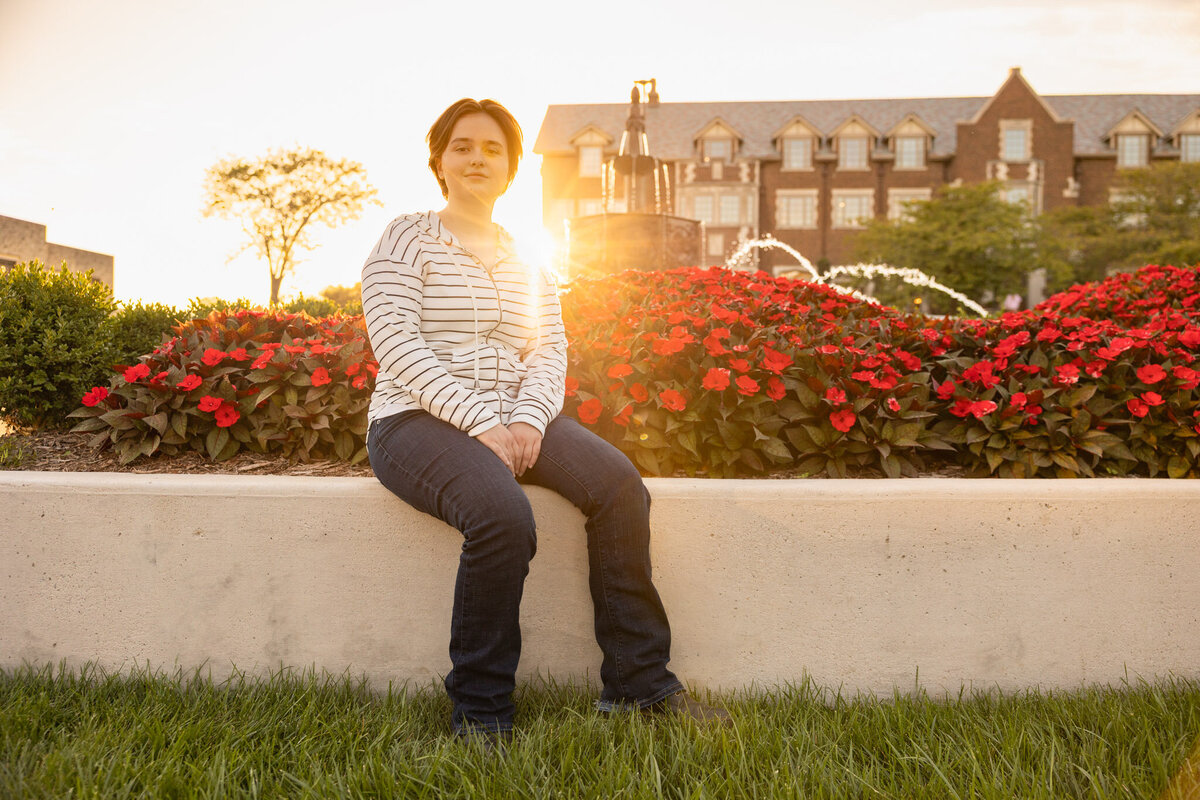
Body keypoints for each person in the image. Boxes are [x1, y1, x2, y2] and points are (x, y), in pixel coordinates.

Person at [360, 98, 728, 743]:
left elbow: (548, 347)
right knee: (502, 517)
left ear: (511, 169)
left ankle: (639, 688)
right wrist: (481, 423)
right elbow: (396, 343)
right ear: (439, 161)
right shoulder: (406, 236)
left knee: (618, 487)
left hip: (516, 418)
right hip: (414, 419)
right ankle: (481, 713)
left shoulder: (528, 253)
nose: (478, 159)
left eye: (493, 149)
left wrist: (529, 421)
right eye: (463, 146)